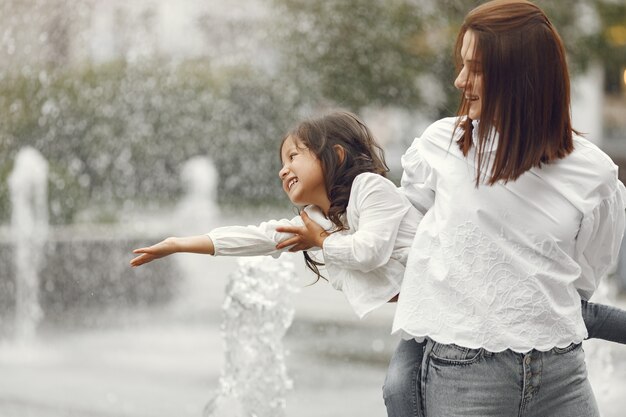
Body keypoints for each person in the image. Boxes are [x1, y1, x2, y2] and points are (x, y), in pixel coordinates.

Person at [382, 1, 626, 416]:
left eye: (475, 69)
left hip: (562, 377)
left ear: (521, 76)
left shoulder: (594, 174)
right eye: (462, 65)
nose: (460, 81)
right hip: (465, 374)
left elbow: (584, 276)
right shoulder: (439, 147)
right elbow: (399, 236)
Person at [131, 110, 423, 319]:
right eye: (282, 162)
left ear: (337, 154)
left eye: (293, 157)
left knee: (401, 387)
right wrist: (179, 244)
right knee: (397, 389)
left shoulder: (370, 187)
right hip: (425, 308)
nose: (282, 170)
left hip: (452, 294)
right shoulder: (320, 219)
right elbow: (258, 237)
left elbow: (368, 252)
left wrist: (321, 241)